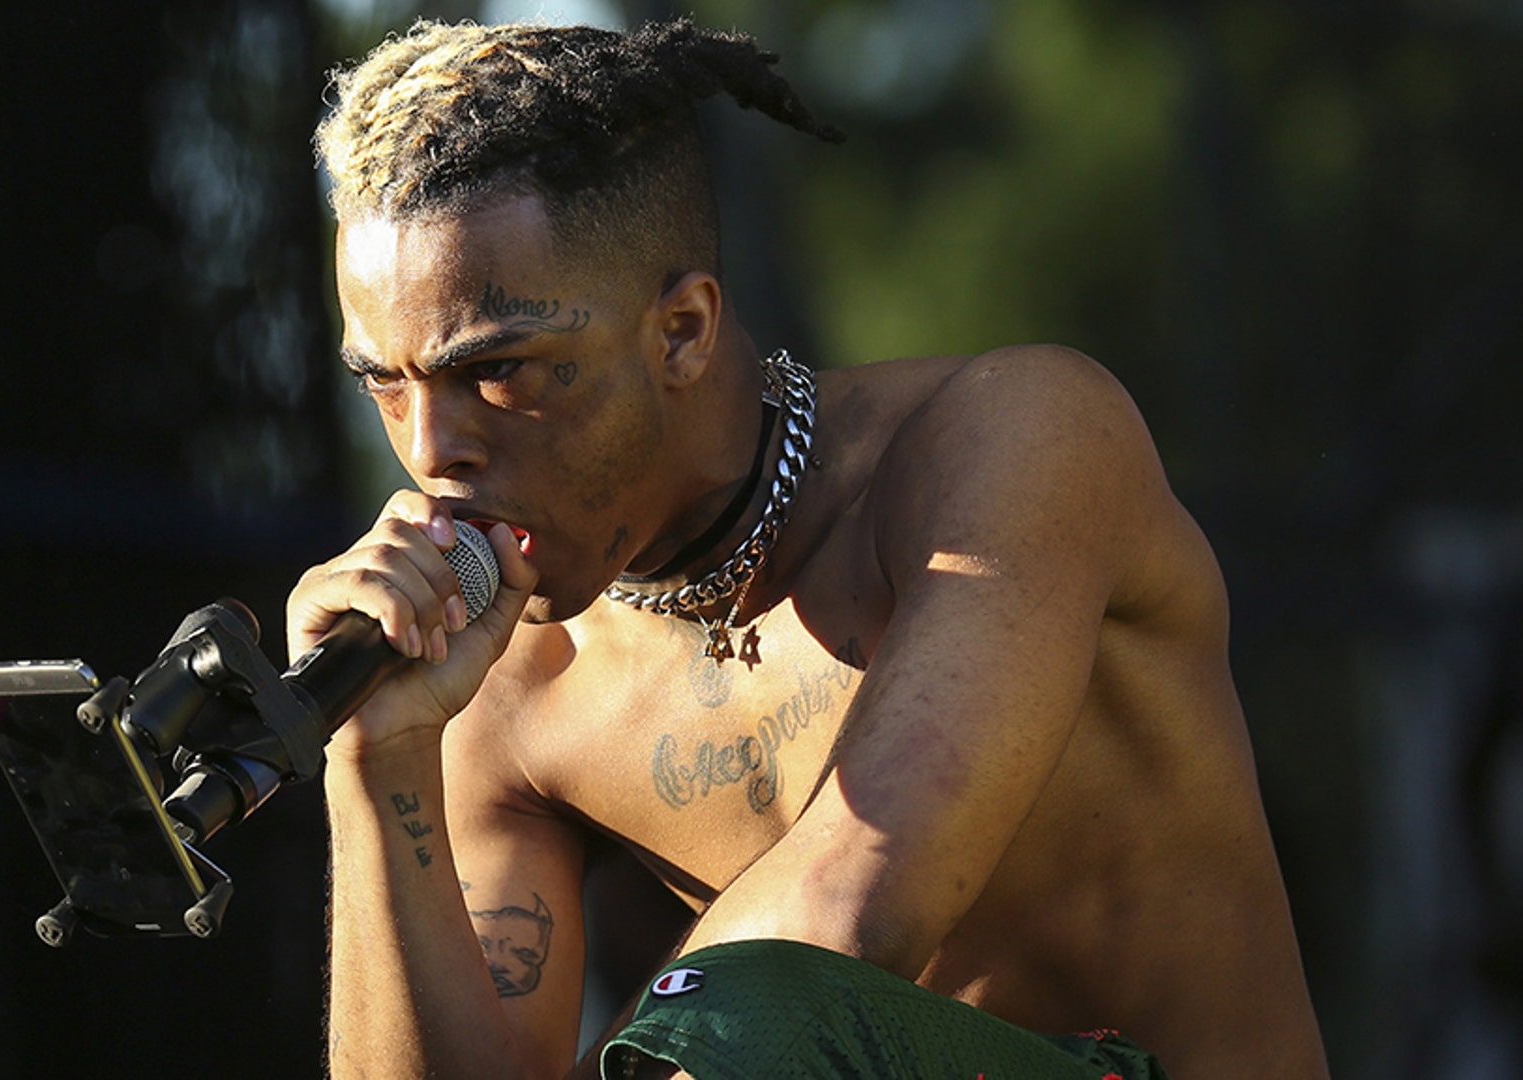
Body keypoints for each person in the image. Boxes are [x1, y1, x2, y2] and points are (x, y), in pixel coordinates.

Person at [295, 18, 1328, 1079]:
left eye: (497, 369)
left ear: (684, 331)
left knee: (767, 1005)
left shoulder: (1017, 441)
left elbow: (842, 932)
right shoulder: (505, 678)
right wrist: (376, 760)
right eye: (383, 380)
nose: (430, 452)